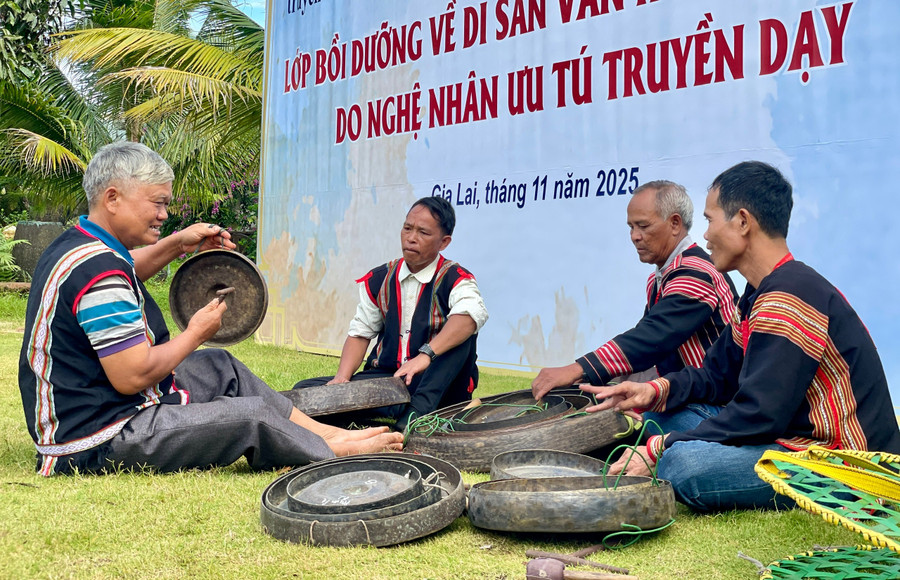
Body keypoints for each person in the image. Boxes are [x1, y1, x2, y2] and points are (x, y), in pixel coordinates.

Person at [18, 141, 402, 477]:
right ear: (113, 198)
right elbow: (132, 377)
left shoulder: (79, 243)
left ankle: (324, 432)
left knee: (222, 366)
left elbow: (128, 267)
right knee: (249, 415)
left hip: (105, 406)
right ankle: (330, 449)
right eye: (158, 203)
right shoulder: (99, 275)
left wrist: (177, 244)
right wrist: (195, 334)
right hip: (98, 437)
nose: (165, 214)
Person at [586, 161, 900, 511]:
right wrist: (654, 390)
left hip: (839, 465)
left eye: (709, 220)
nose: (704, 235)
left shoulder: (789, 296)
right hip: (785, 437)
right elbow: (717, 377)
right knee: (663, 416)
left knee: (681, 465)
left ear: (743, 222)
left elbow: (759, 415)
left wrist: (663, 448)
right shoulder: (758, 293)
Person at [293, 196, 488, 432]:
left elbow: (469, 317)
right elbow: (360, 334)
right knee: (303, 391)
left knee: (461, 336)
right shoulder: (380, 278)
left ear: (444, 242)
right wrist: (342, 381)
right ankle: (396, 410)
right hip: (390, 382)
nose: (411, 238)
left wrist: (425, 356)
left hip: (437, 383)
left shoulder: (456, 279)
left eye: (423, 233)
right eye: (407, 228)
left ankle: (414, 417)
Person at [532, 180, 737, 400]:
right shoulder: (662, 276)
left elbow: (651, 338)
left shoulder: (695, 272)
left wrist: (577, 369)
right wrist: (595, 380)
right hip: (693, 393)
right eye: (631, 227)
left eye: (643, 226)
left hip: (717, 405)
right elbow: (646, 349)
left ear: (675, 223)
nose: (634, 236)